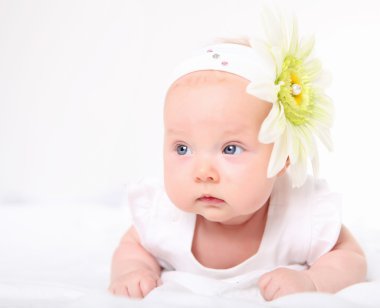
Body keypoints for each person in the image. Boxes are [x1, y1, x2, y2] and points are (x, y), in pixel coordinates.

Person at [108, 13, 367, 301]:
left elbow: (350, 257)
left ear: (283, 157)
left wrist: (313, 281)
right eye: (183, 149)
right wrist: (132, 270)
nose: (203, 172)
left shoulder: (300, 214)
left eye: (230, 149)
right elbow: (133, 246)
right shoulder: (163, 215)